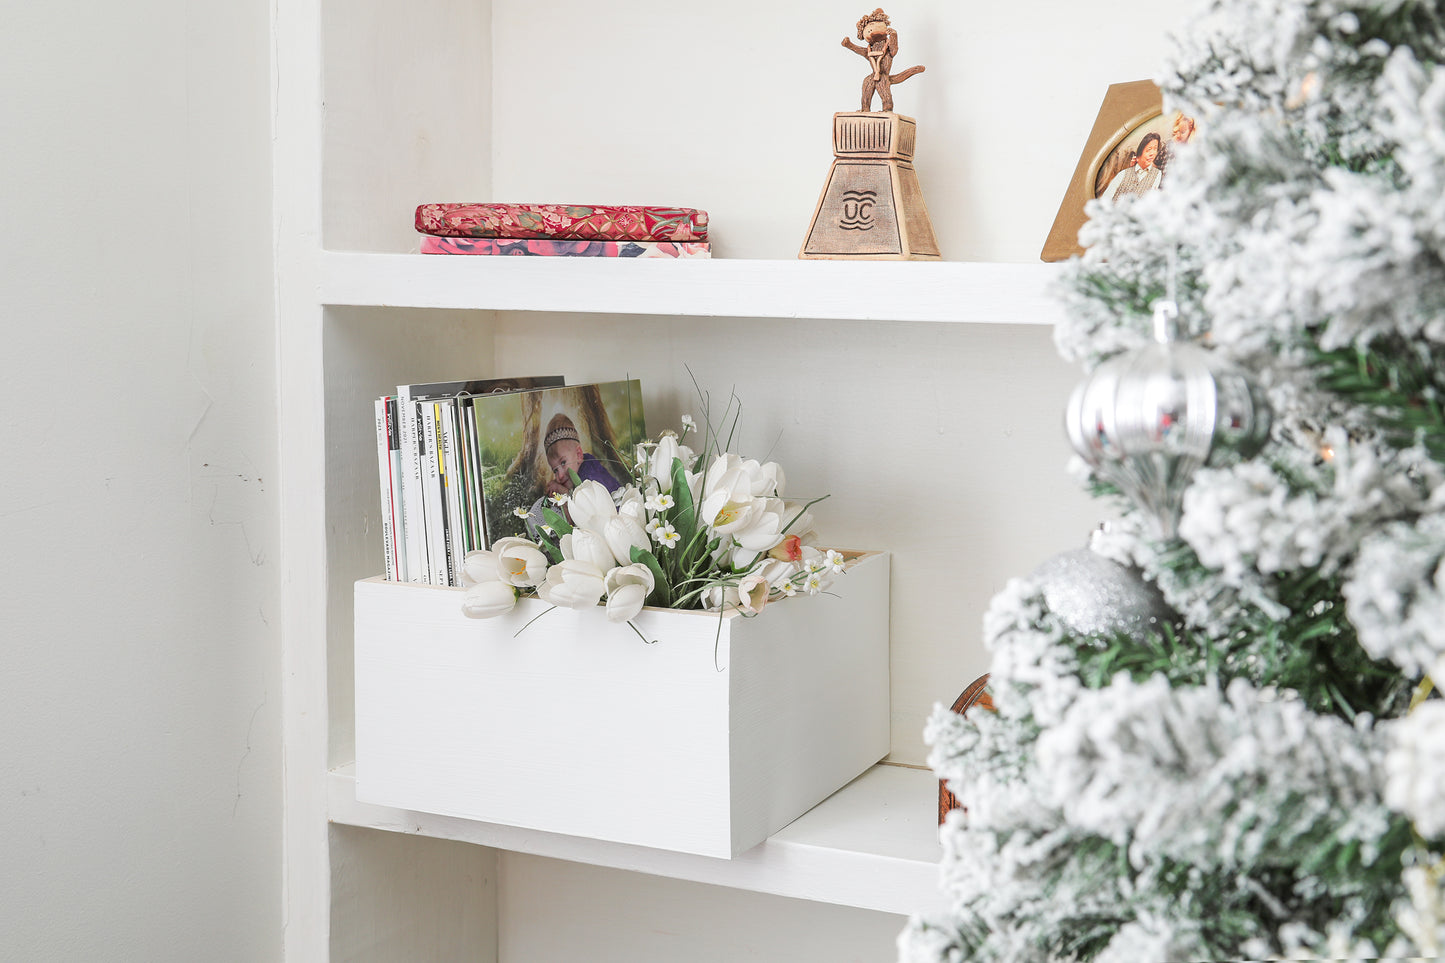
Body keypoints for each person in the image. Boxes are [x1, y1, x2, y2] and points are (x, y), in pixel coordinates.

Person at [542, 412, 621, 498]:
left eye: (563, 462)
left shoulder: (589, 475)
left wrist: (561, 491)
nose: (560, 476)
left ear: (579, 455)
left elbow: (583, 505)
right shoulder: (581, 467)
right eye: (555, 471)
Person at [1102, 131, 1163, 201]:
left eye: (1155, 149)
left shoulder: (1157, 174)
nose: (1152, 153)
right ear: (1138, 156)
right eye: (1149, 150)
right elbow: (1105, 199)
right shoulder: (1123, 174)